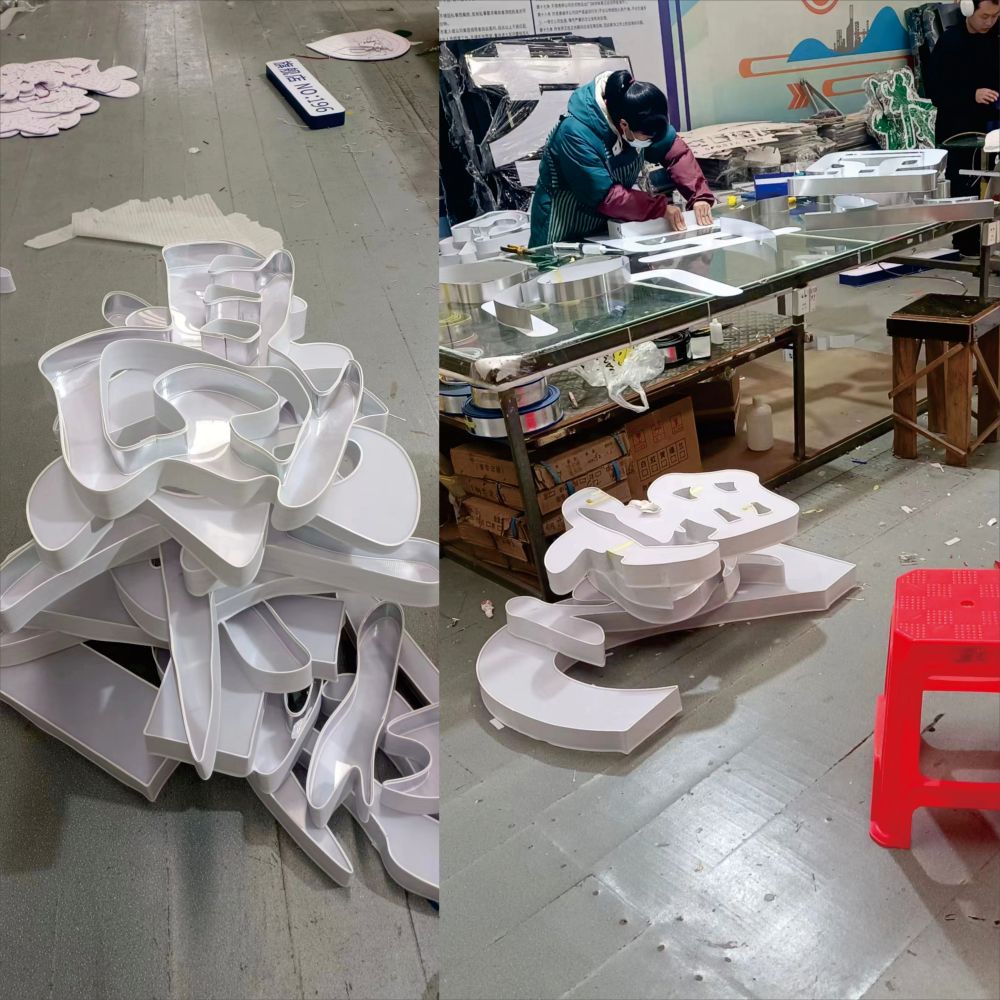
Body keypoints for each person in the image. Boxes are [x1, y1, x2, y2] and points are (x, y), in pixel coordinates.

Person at [529, 69, 715, 247]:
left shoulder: (636, 114)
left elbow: (675, 153)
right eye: (647, 138)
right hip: (564, 227)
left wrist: (699, 196)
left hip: (608, 227)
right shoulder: (575, 134)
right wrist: (659, 208)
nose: (652, 141)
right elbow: (605, 196)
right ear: (624, 125)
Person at [927, 0, 1000, 254]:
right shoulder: (951, 42)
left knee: (993, 184)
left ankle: (992, 241)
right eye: (985, 16)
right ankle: (966, 243)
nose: (990, 22)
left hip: (991, 126)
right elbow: (935, 90)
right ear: (969, 9)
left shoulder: (995, 39)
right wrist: (972, 94)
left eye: (995, 16)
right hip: (959, 128)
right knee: (964, 184)